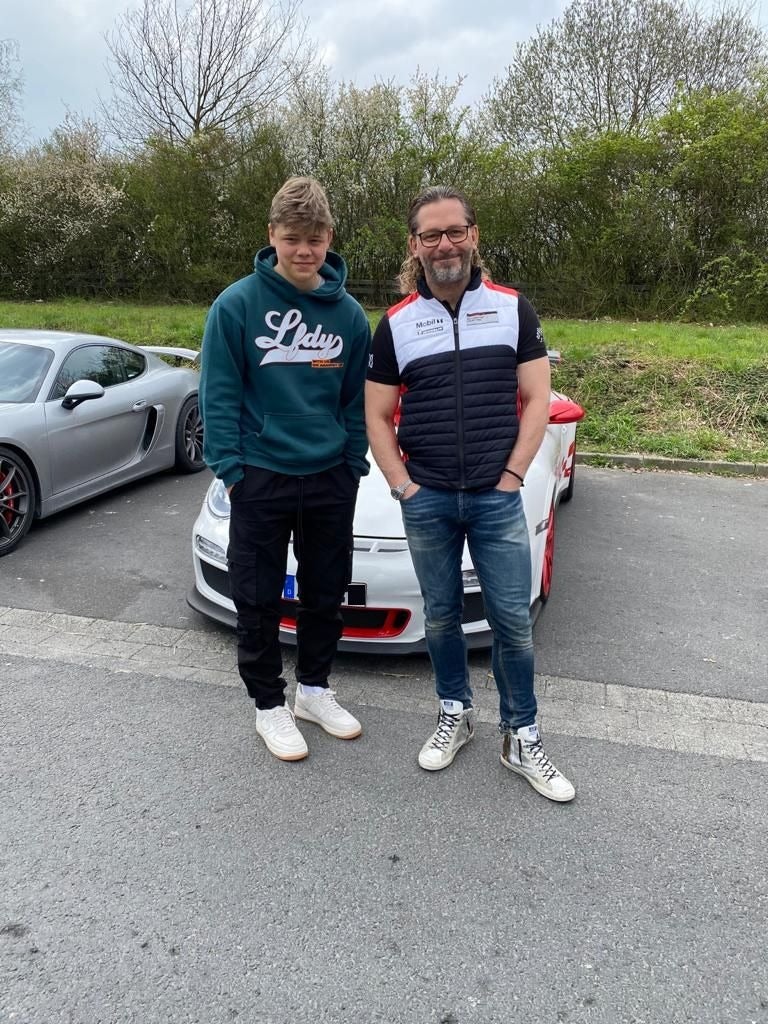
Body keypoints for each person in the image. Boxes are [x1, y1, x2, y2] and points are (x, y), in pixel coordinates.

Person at [365, 184, 575, 802]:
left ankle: (521, 734)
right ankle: (454, 711)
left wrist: (512, 476)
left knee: (512, 622)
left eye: (455, 231)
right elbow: (375, 415)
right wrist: (402, 485)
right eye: (431, 235)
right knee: (441, 616)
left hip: (495, 496)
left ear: (473, 235)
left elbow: (537, 400)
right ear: (415, 245)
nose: (445, 245)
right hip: (427, 498)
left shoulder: (513, 309)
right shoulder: (396, 324)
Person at [200, 176, 370, 762]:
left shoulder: (349, 316)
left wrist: (351, 464)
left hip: (329, 476)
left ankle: (313, 691)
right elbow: (219, 395)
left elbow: (355, 401)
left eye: (315, 238)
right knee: (257, 597)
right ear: (272, 234)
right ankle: (268, 704)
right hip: (260, 474)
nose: (304, 250)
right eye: (292, 238)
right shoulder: (236, 305)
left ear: (330, 238)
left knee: (326, 592)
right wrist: (231, 470)